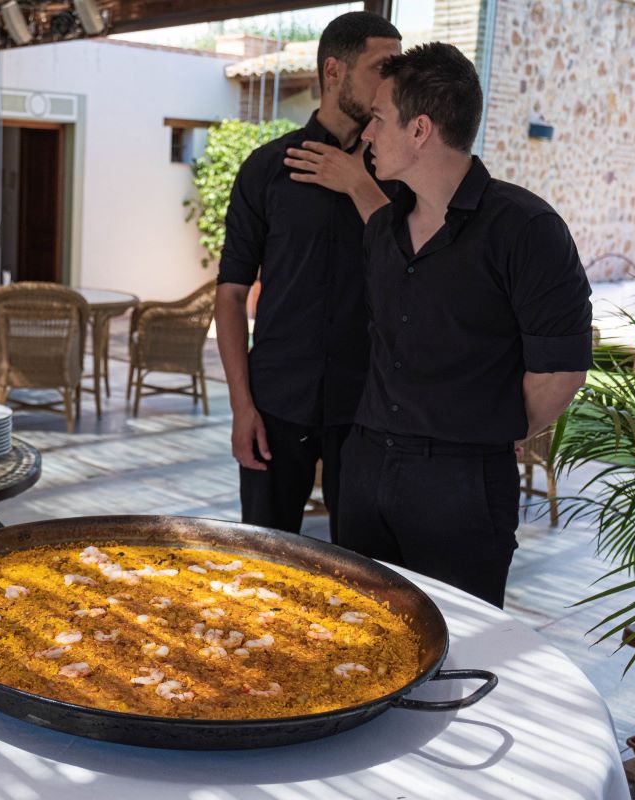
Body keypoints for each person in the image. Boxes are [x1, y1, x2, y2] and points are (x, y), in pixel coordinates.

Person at [300, 43, 592, 608]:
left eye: (379, 118)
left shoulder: (528, 230)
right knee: (358, 632)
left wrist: (483, 431)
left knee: (461, 642)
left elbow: (560, 372)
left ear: (420, 130)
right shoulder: (381, 229)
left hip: (462, 485)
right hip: (365, 469)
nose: (367, 134)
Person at [215, 11, 401, 542]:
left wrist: (360, 185)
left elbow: (419, 273)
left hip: (368, 410)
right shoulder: (266, 169)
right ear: (334, 71)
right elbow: (230, 294)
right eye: (381, 67)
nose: (391, 83)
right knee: (264, 559)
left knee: (365, 565)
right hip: (275, 403)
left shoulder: (399, 178)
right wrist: (242, 407)